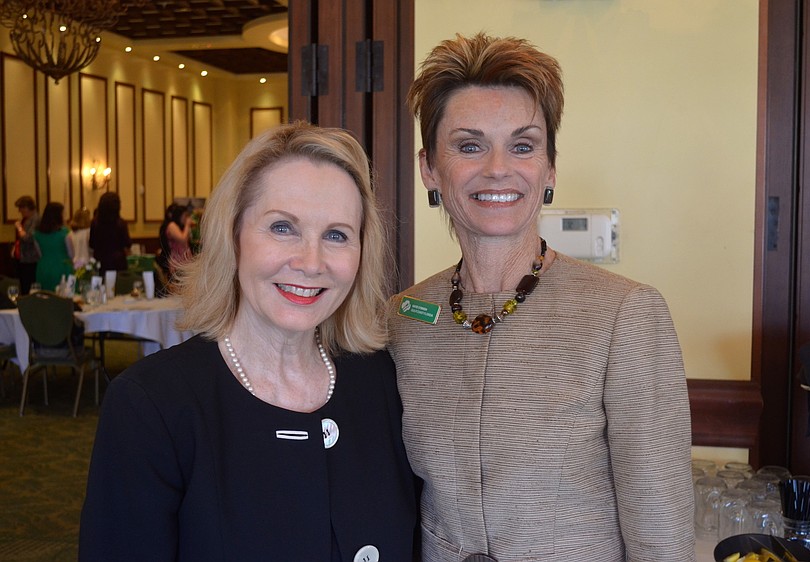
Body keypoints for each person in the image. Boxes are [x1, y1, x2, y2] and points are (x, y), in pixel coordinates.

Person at [387, 33, 694, 561]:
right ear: (429, 169)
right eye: (469, 145)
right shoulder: (402, 321)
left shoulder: (622, 314)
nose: (498, 168)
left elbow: (660, 532)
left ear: (549, 169)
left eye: (523, 145)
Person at [79, 121, 417, 560]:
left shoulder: (381, 382)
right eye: (282, 228)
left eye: (336, 235)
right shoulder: (153, 405)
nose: (311, 263)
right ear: (233, 234)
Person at [32, 202, 74, 292]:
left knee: (46, 297)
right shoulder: (65, 233)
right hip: (62, 266)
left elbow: (40, 254)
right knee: (64, 296)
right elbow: (71, 254)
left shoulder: (37, 234)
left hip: (43, 267)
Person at [88, 191, 131, 273]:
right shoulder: (121, 223)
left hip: (100, 262)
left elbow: (92, 244)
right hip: (118, 263)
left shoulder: (95, 223)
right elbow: (127, 244)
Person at [156, 202, 194, 282]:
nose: (187, 218)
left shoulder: (180, 227)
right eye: (185, 216)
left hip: (184, 261)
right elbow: (182, 239)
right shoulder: (172, 225)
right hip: (177, 263)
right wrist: (187, 225)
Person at [12, 195, 40, 294]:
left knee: (29, 288)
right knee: (23, 287)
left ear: (27, 207)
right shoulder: (26, 220)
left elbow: (28, 238)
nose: (20, 211)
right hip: (24, 259)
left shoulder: (36, 220)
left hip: (31, 259)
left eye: (21, 208)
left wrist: (19, 228)